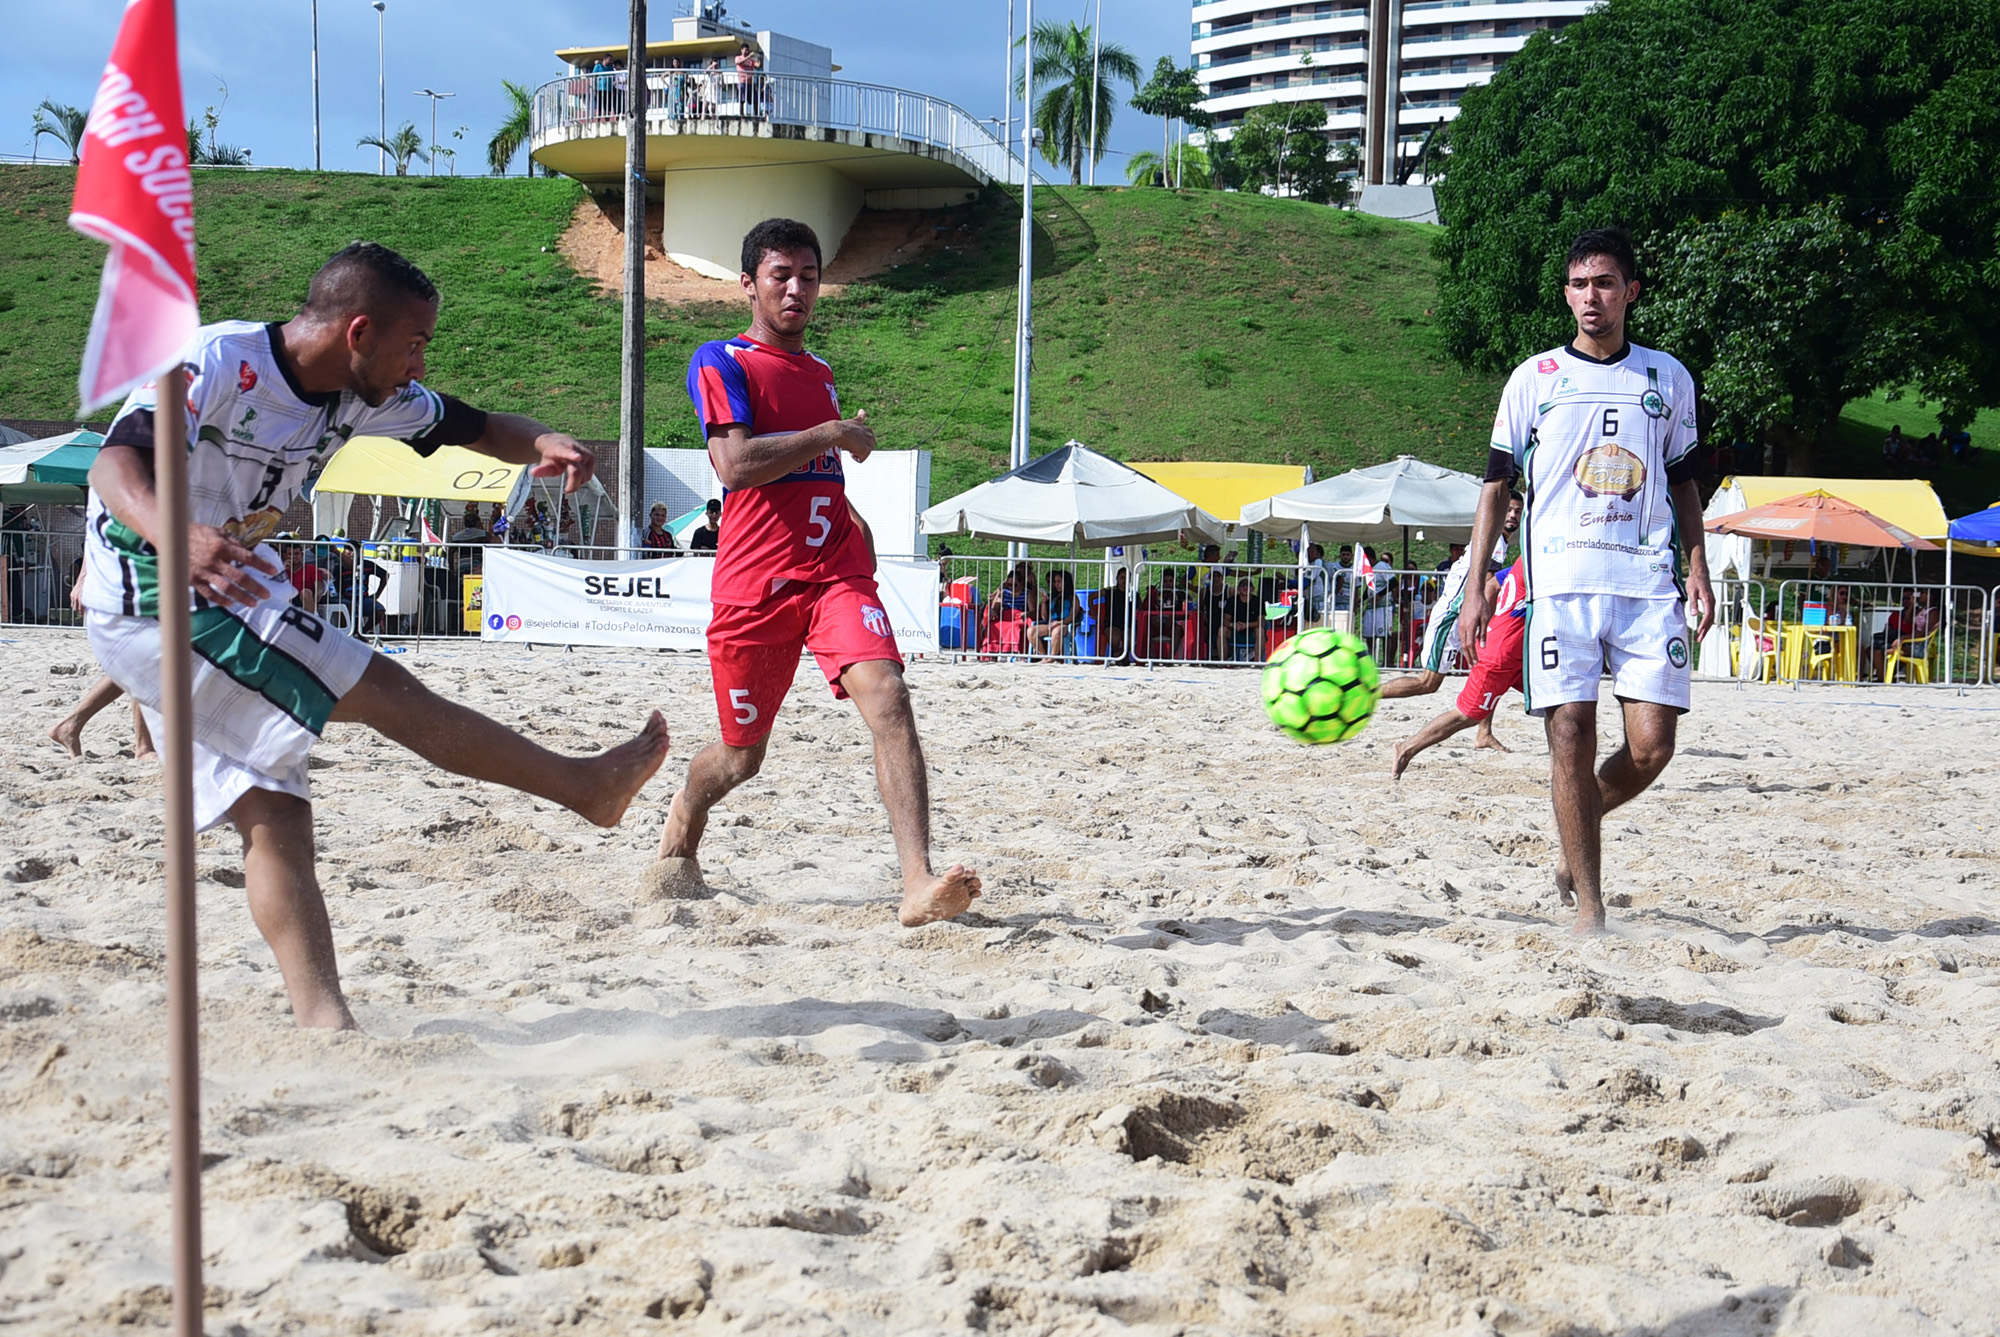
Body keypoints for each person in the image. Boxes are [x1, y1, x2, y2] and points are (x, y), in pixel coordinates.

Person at [80, 241, 670, 1029]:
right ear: (358, 331)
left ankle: (325, 1025)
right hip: (154, 591)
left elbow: (478, 425)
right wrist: (176, 534)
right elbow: (112, 466)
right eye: (414, 343)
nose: (419, 364)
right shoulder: (217, 360)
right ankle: (585, 788)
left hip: (215, 595)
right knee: (386, 690)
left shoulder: (365, 398)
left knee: (276, 813)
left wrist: (539, 442)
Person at [649, 217, 980, 926]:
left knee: (889, 696)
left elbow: (813, 479)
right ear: (749, 284)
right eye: (781, 275)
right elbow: (735, 466)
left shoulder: (822, 372)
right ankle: (686, 805)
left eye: (808, 274)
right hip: (753, 587)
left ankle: (917, 880)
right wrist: (831, 435)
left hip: (833, 574)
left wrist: (850, 518)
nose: (798, 288)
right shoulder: (721, 360)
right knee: (741, 757)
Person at [1459, 226, 1714, 936]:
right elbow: (1492, 489)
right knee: (1568, 735)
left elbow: (1685, 479)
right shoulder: (1533, 378)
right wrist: (1475, 586)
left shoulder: (1668, 377)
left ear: (1630, 290)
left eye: (1603, 283)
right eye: (1577, 285)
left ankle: (1580, 827)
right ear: (1566, 294)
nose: (1589, 297)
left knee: (1652, 746)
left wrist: (1697, 565)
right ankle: (1589, 909)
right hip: (1560, 586)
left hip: (1645, 585)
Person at [1380, 491, 1522, 711]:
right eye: (1508, 510)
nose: (1513, 515)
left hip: (1462, 613)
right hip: (1454, 615)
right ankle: (1367, 695)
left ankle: (1484, 731)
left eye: (1517, 512)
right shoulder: (1493, 540)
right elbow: (1487, 584)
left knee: (1487, 670)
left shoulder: (1496, 539)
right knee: (1428, 682)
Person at [1393, 559, 1528, 778]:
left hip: (1515, 649)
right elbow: (1489, 584)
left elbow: (1492, 584)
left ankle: (1558, 766)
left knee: (1560, 704)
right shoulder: (1540, 559)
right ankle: (1407, 747)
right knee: (1460, 709)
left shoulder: (1526, 558)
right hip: (1500, 651)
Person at [48, 569, 154, 760]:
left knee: (141, 661)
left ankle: (71, 725)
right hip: (130, 584)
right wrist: (81, 579)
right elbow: (93, 538)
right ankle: (143, 746)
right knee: (139, 661)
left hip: (149, 582)